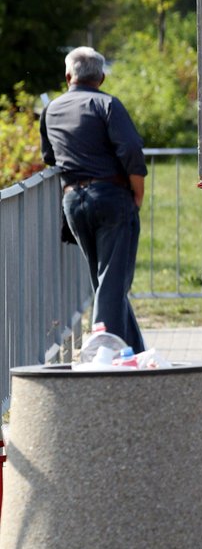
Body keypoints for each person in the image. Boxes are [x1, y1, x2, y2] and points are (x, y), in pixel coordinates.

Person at [40, 47, 147, 353]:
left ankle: (133, 351)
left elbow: (49, 156)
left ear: (68, 76)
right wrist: (137, 193)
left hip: (73, 201)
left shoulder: (52, 110)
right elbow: (131, 151)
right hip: (112, 196)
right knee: (113, 279)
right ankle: (103, 345)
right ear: (101, 76)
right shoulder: (107, 104)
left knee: (104, 280)